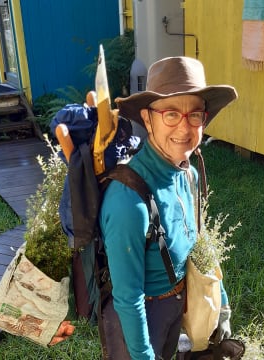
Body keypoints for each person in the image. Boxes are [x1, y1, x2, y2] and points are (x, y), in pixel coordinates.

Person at [99, 56, 238, 359]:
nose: (184, 127)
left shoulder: (188, 172)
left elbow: (198, 241)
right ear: (148, 119)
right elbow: (128, 298)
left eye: (195, 115)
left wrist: (220, 306)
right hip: (136, 320)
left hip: (175, 304)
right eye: (171, 114)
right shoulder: (128, 199)